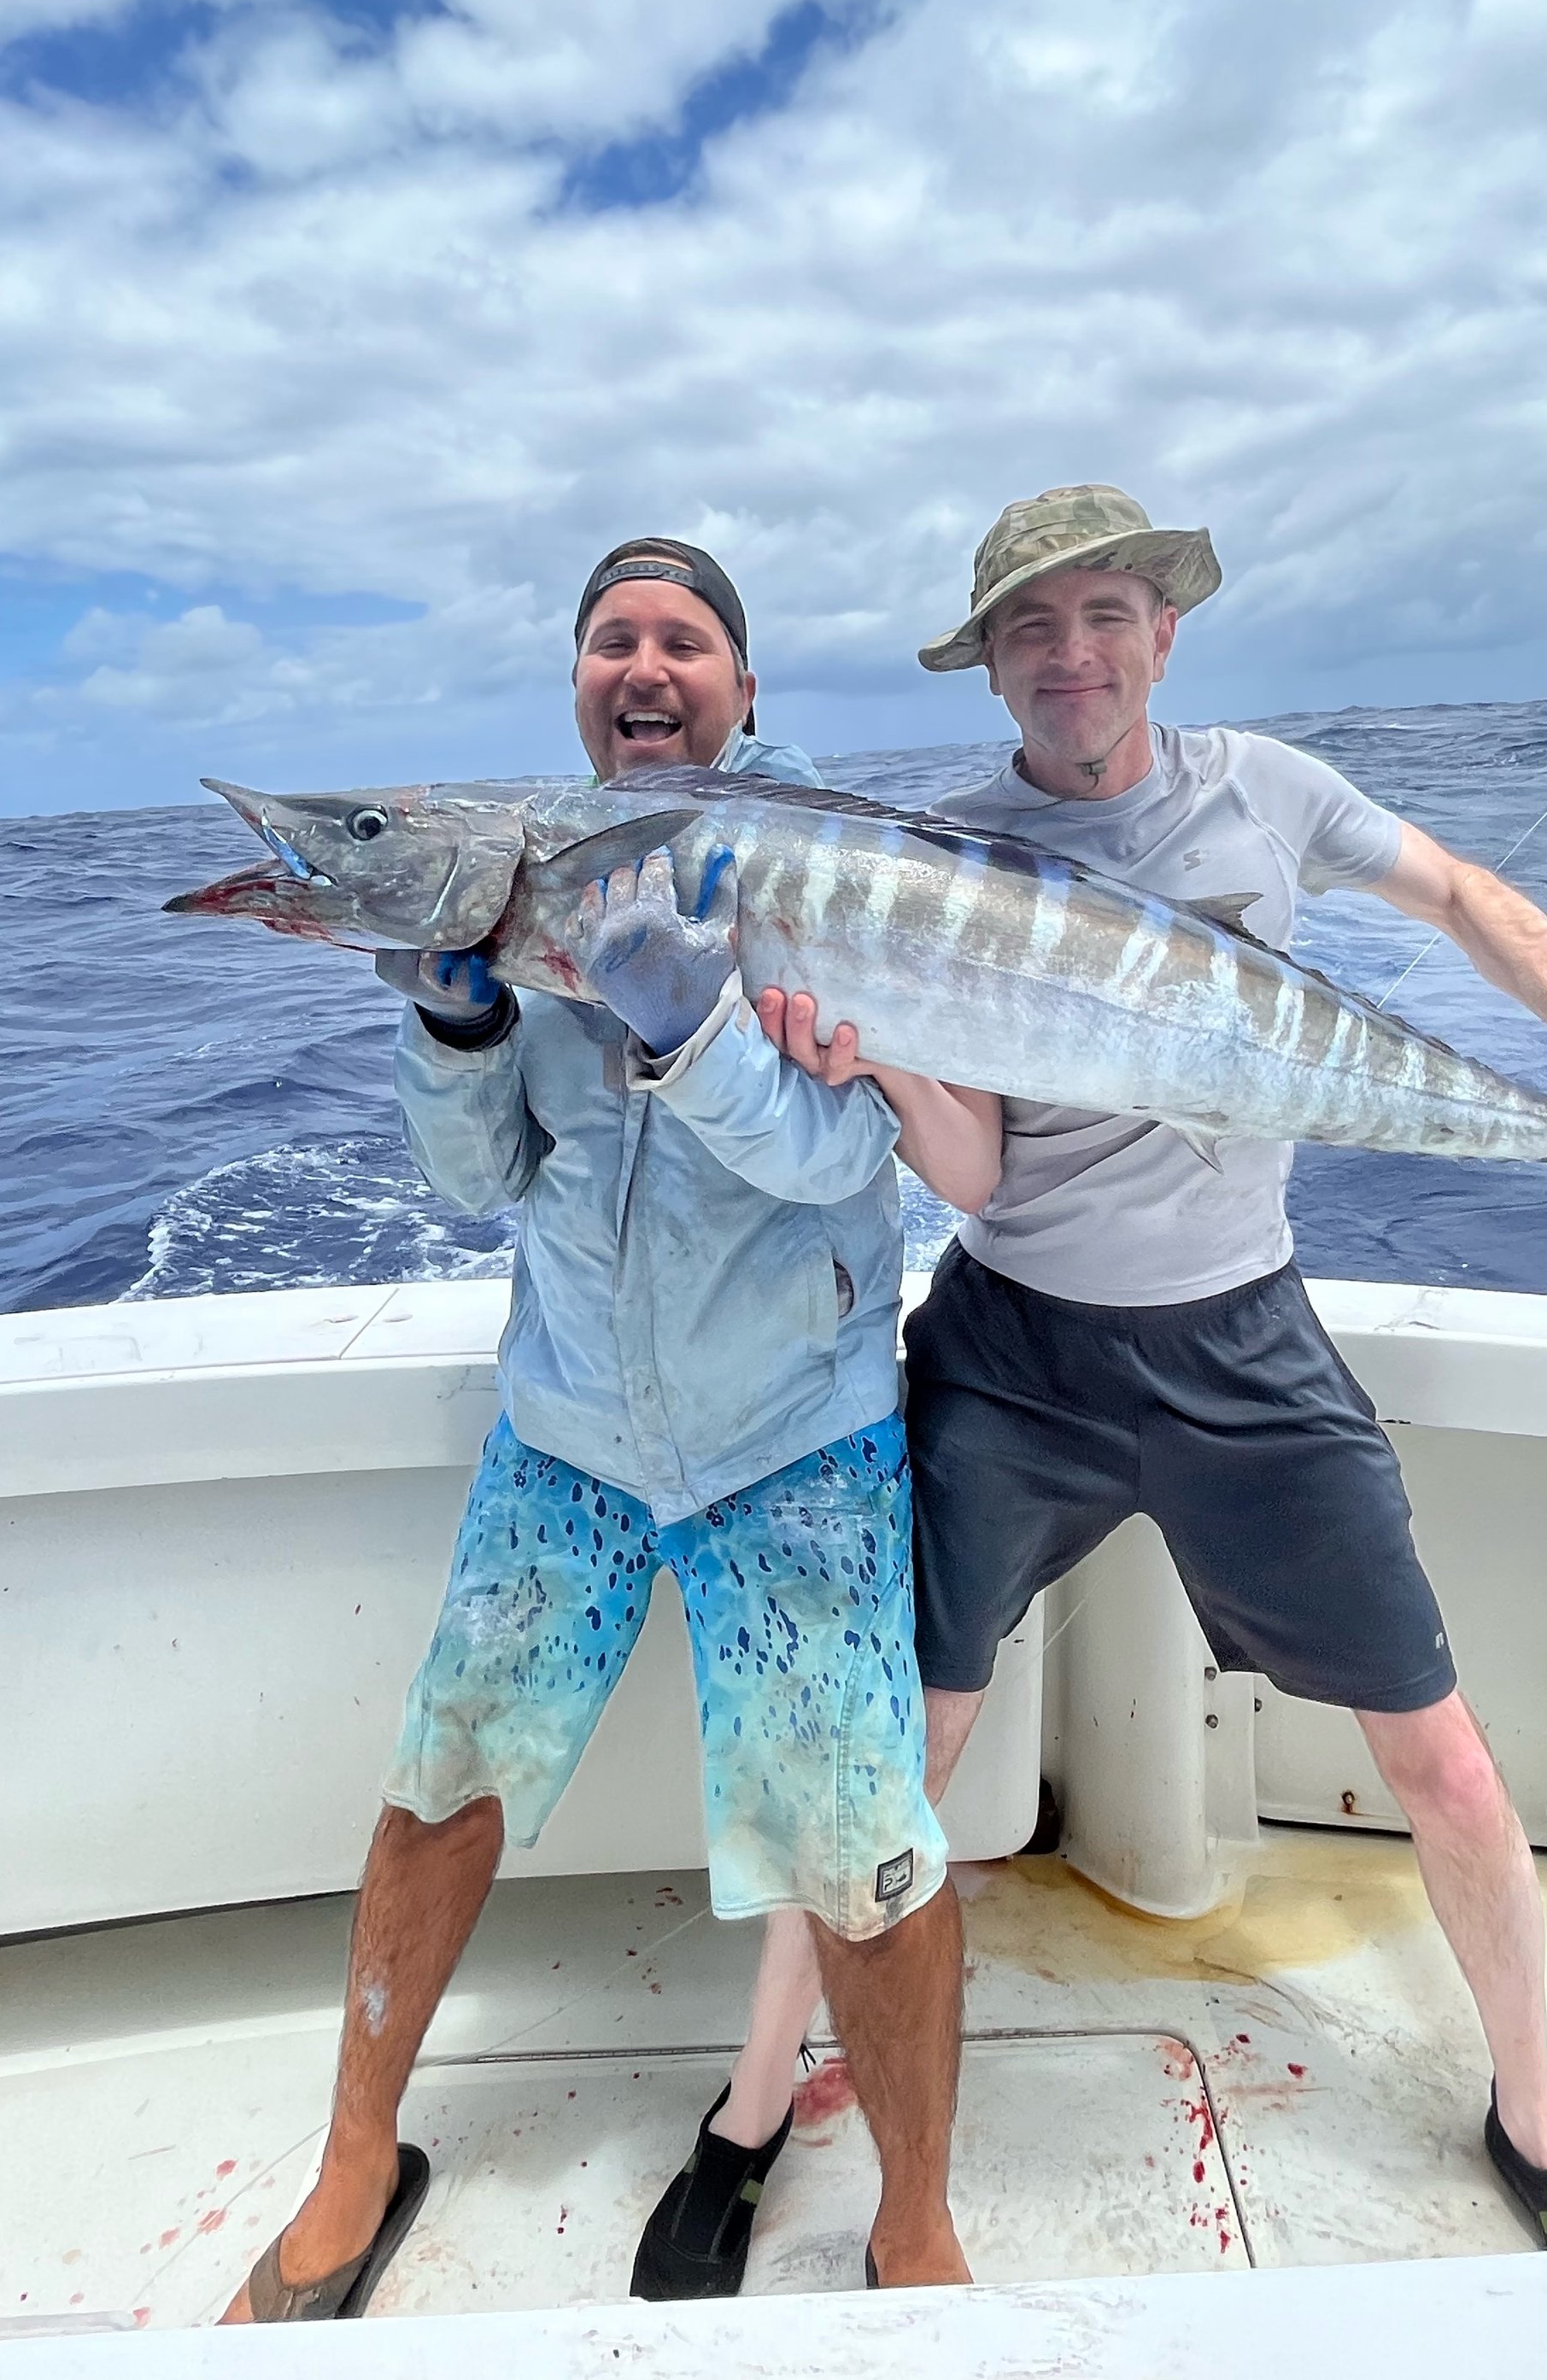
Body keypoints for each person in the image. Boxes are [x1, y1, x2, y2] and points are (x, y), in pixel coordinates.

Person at [709, 485, 1547, 2257]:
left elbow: (1456, 888)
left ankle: (1531, 2109)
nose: (1067, 655)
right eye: (1027, 629)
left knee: (1442, 1757)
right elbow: (977, 1169)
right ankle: (753, 2093)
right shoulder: (926, 851)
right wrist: (873, 1067)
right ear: (992, 669)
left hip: (1246, 1338)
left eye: (1099, 616)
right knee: (878, 1747)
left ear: (1161, 632)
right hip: (1011, 1352)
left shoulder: (1270, 789)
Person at [223, 539, 991, 2324]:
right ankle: (355, 2151)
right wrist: (453, 1006)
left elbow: (829, 1158)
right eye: (609, 639)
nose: (644, 665)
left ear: (740, 683)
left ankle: (918, 2219)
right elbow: (477, 1175)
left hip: (793, 1435)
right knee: (441, 1778)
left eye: (683, 639)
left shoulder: (807, 865)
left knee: (858, 1838)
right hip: (565, 1419)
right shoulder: (520, 867)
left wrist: (698, 1027)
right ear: (575, 678)